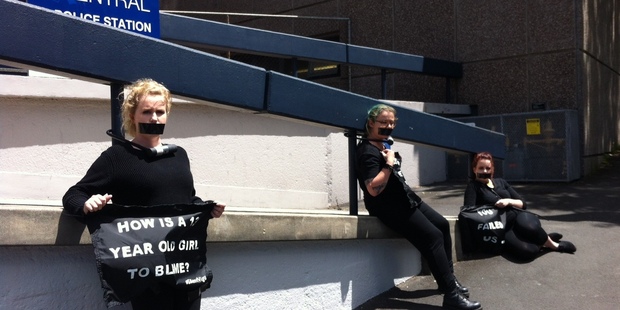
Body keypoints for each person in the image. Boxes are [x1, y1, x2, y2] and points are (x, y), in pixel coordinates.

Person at [62, 78, 225, 310]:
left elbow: (185, 201)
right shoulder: (117, 157)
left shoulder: (179, 156)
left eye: (160, 111)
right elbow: (73, 194)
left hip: (183, 270)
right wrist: (88, 203)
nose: (154, 118)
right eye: (147, 112)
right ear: (132, 116)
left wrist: (207, 208)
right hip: (147, 277)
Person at [355, 104, 482, 310]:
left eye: (392, 123)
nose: (389, 126)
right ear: (371, 123)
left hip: (405, 199)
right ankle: (451, 296)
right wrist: (388, 164)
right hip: (390, 206)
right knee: (433, 237)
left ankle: (447, 281)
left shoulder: (383, 144)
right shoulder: (367, 151)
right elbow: (372, 188)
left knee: (441, 225)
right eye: (384, 122)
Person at [463, 151, 576, 260]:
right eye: (481, 168)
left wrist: (508, 201)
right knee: (528, 252)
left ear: (492, 169)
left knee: (529, 227)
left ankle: (554, 245)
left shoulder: (501, 182)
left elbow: (523, 204)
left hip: (519, 216)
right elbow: (469, 212)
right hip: (502, 227)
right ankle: (544, 239)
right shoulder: (473, 187)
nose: (485, 171)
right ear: (474, 169)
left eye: (488, 168)